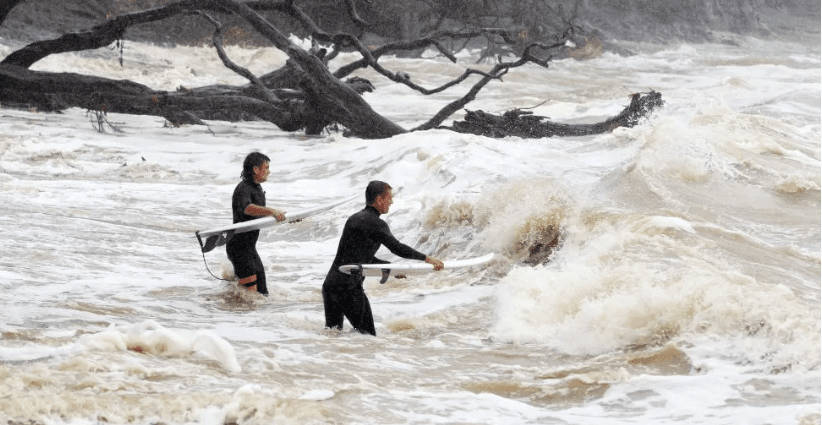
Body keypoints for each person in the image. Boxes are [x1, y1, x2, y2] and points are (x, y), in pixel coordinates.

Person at [322, 181, 444, 335]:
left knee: (333, 335)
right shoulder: (376, 224)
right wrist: (426, 258)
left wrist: (390, 268)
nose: (391, 202)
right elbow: (397, 248)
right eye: (389, 198)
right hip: (348, 289)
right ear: (379, 199)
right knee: (368, 337)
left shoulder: (354, 219)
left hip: (331, 286)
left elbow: (359, 258)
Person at [226, 152, 285, 296]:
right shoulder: (243, 188)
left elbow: (260, 215)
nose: (269, 171)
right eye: (266, 168)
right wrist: (271, 211)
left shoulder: (257, 188)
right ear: (256, 169)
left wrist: (288, 218)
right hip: (239, 248)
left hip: (250, 248)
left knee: (262, 293)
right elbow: (247, 209)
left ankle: (255, 318)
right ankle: (237, 316)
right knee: (249, 296)